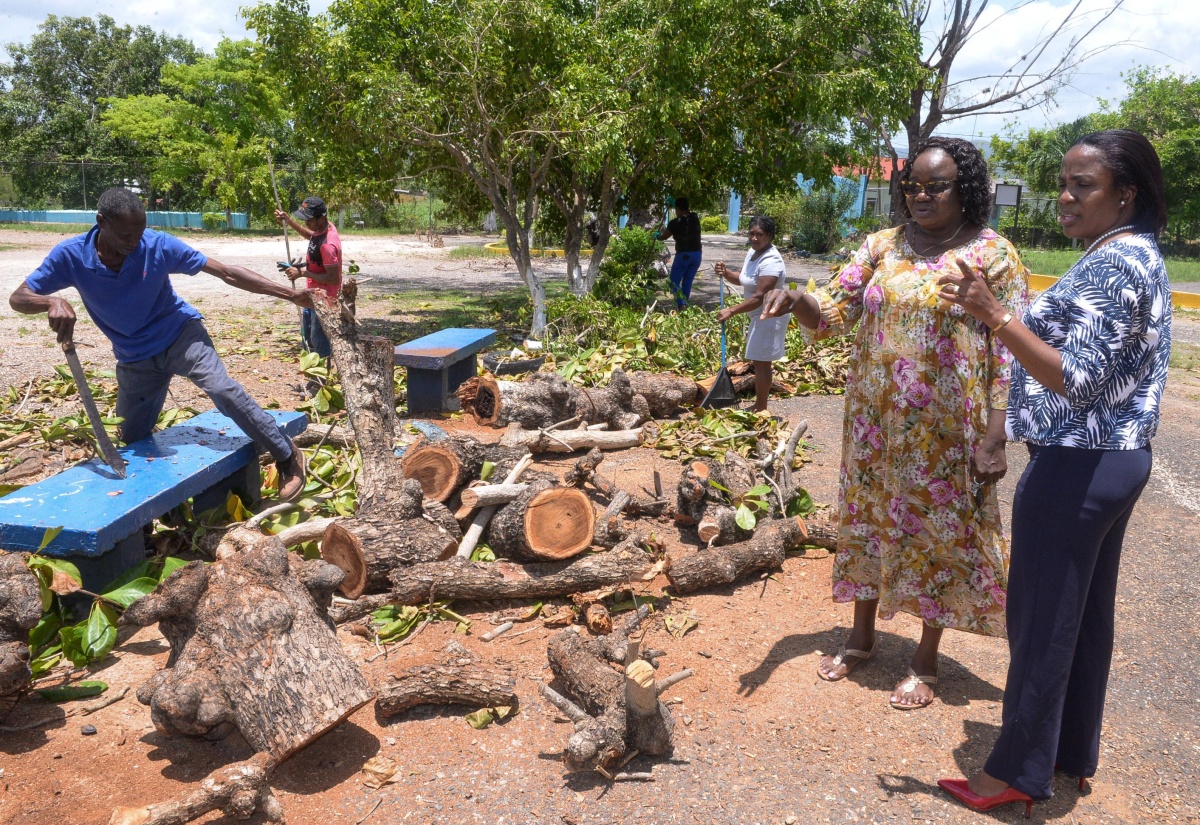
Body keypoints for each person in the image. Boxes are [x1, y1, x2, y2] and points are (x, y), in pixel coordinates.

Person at [934, 130, 1171, 814]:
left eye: (1083, 186)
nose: (1064, 198)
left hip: (1077, 464)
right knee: (1084, 616)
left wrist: (994, 313)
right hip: (1116, 461)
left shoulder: (1112, 265)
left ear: (1124, 194)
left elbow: (1078, 379)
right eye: (1062, 183)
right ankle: (1069, 751)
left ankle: (1017, 772)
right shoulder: (1137, 254)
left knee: (1040, 622)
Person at [759, 137, 1029, 709]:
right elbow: (831, 309)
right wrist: (795, 298)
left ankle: (925, 658)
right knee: (868, 519)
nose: (921, 195)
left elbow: (1009, 353)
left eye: (937, 185)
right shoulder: (882, 245)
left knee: (938, 535)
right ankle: (861, 636)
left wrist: (996, 434)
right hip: (874, 426)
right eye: (913, 186)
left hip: (947, 429)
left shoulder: (992, 255)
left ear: (968, 189)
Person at [9, 187, 312, 501]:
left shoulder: (156, 245)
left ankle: (287, 454)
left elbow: (226, 273)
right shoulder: (70, 256)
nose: (134, 242)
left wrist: (289, 294)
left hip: (180, 335)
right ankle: (156, 507)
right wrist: (50, 302)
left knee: (222, 390)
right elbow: (18, 298)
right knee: (131, 435)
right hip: (135, 357)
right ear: (102, 222)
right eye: (126, 235)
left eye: (139, 232)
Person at [713, 216, 788, 413]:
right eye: (752, 234)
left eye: (760, 235)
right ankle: (759, 405)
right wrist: (727, 273)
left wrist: (731, 310)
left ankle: (761, 407)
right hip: (758, 316)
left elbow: (760, 296)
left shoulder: (771, 261)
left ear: (770, 236)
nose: (754, 238)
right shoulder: (752, 252)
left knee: (762, 363)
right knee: (758, 360)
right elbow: (745, 280)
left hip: (770, 315)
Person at [275, 195, 342, 358]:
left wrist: (303, 273)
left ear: (321, 217)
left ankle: (322, 378)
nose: (307, 223)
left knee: (318, 339)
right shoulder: (322, 229)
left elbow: (334, 279)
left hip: (324, 300)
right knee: (308, 337)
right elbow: (311, 236)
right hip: (312, 293)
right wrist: (289, 221)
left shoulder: (328, 244)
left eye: (309, 219)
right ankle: (314, 373)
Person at [659, 197, 703, 309]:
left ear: (678, 209)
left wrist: (657, 236)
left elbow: (663, 236)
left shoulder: (675, 223)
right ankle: (684, 307)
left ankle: (682, 304)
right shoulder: (695, 218)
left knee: (673, 282)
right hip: (697, 255)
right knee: (687, 282)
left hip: (684, 255)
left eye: (676, 209)